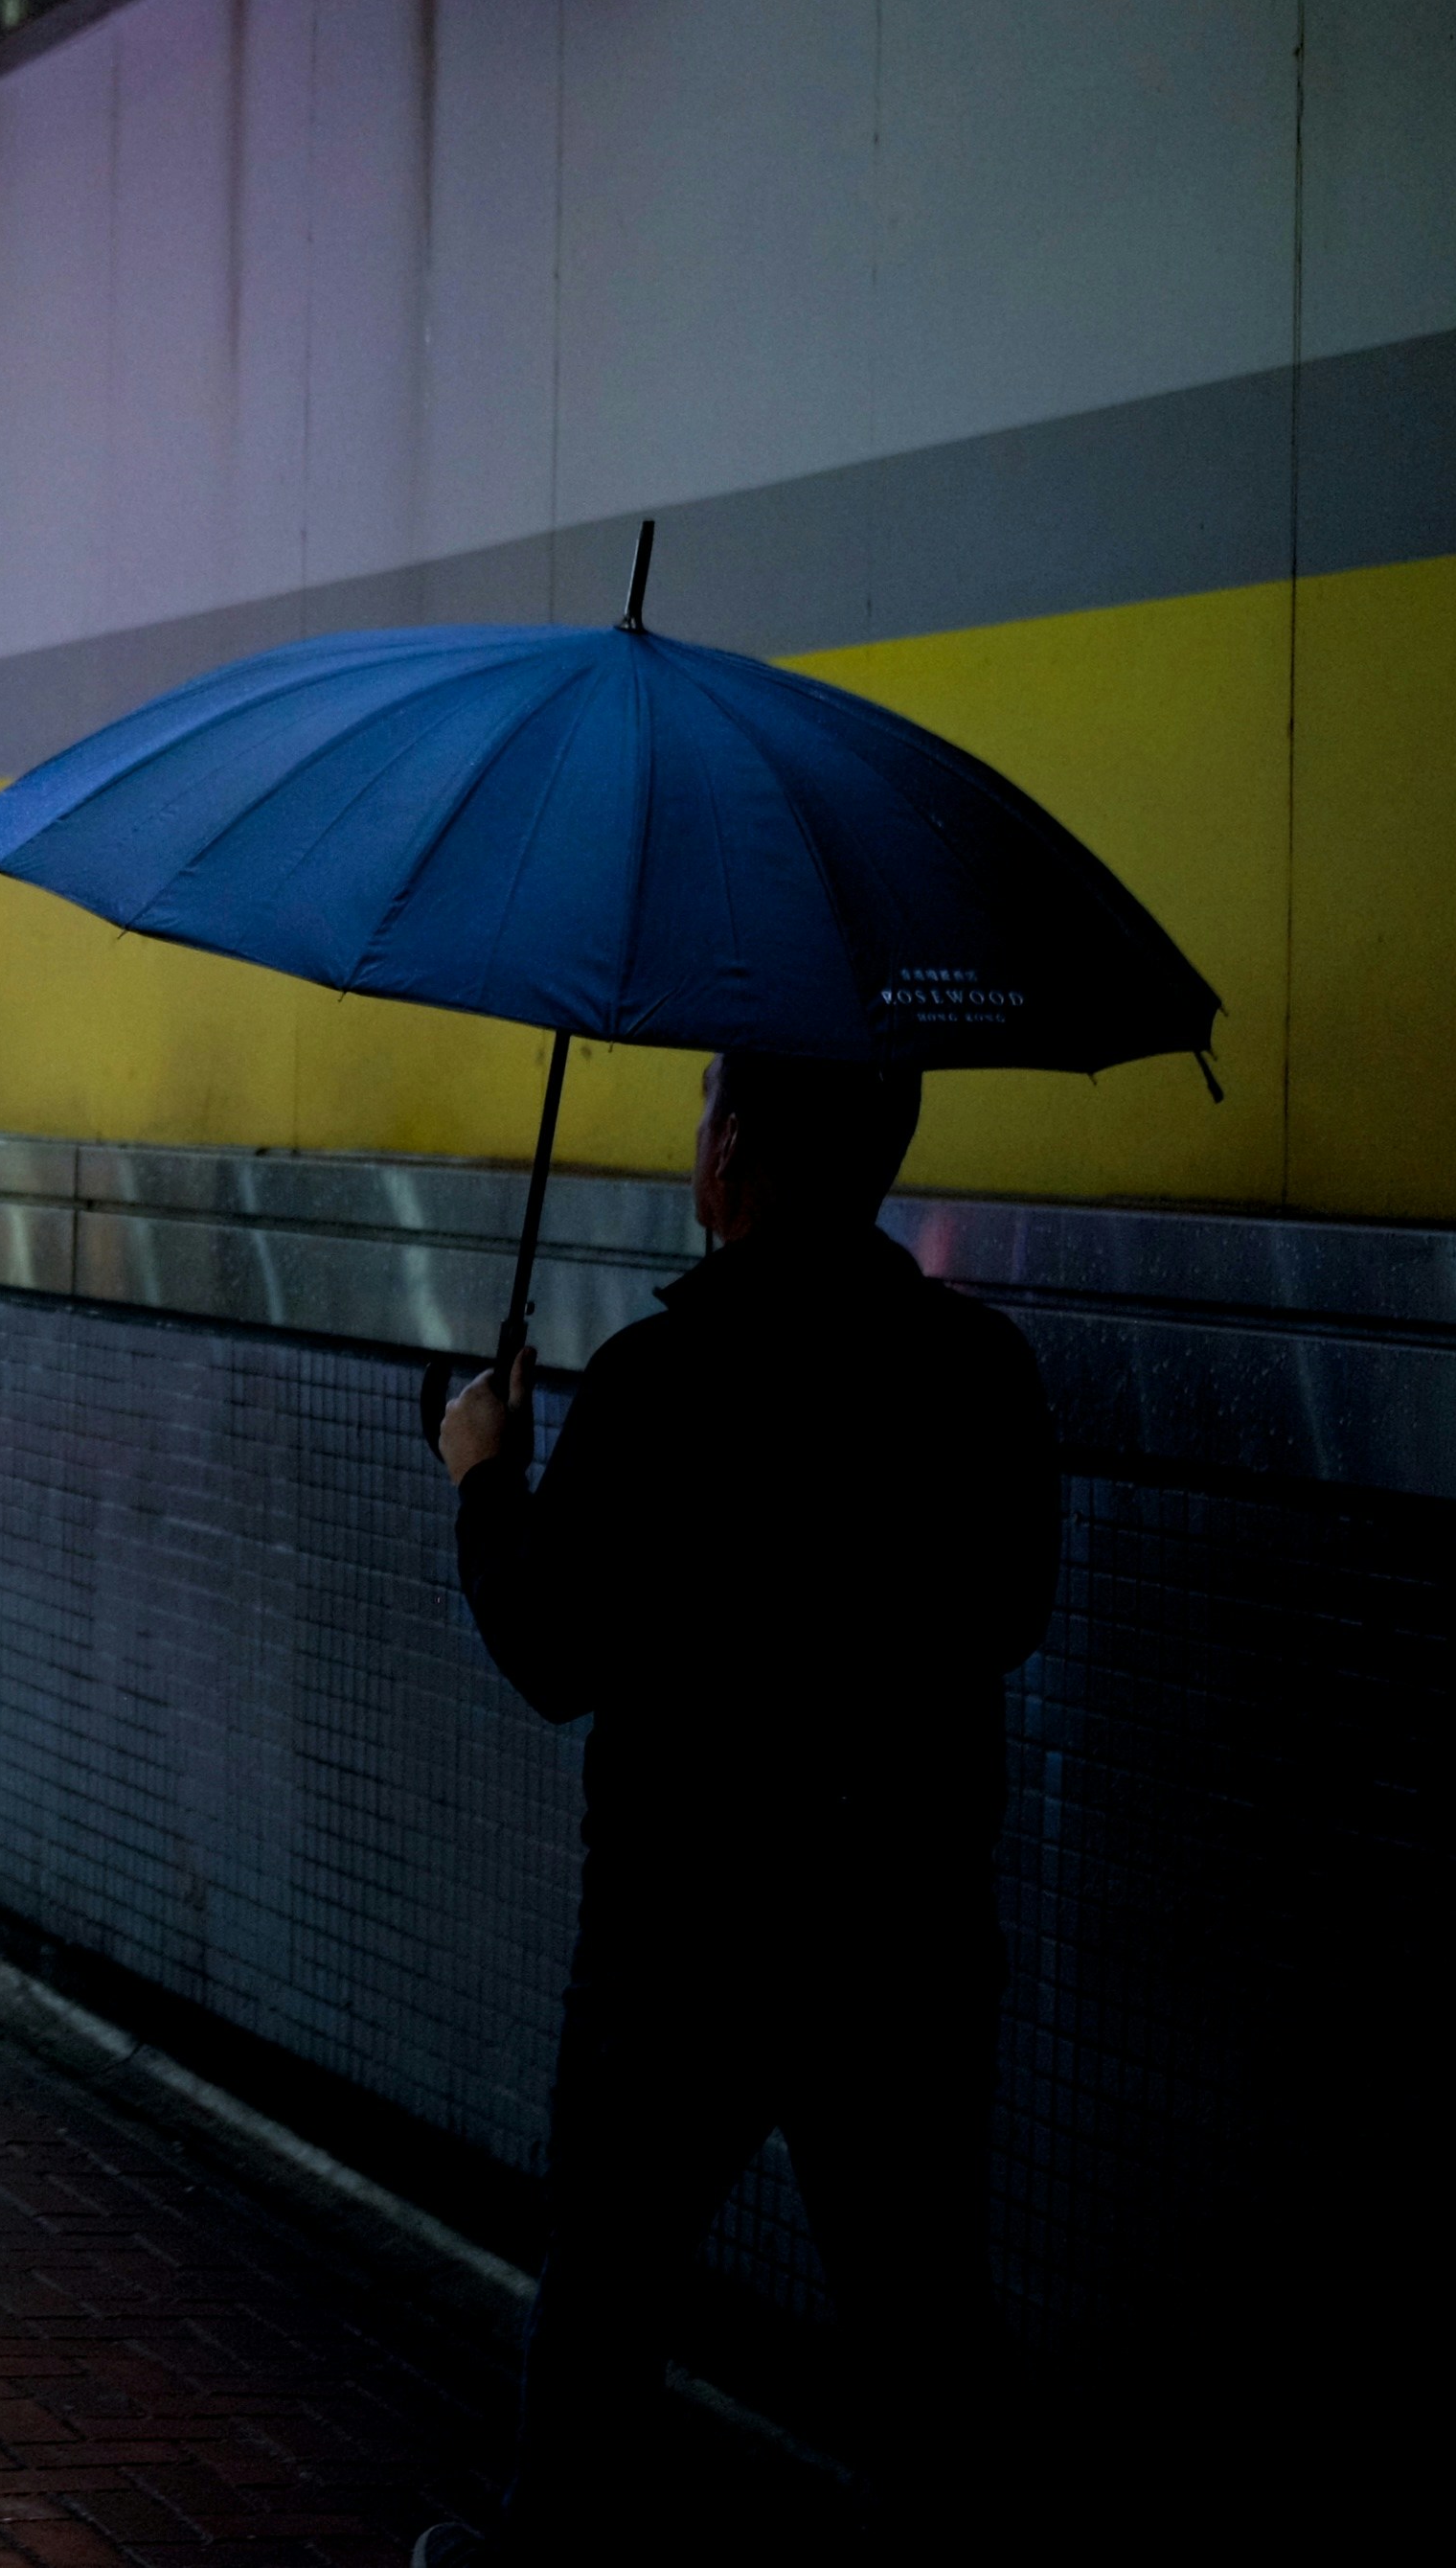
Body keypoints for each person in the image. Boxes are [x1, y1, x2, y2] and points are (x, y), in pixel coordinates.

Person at [412, 1053, 1059, 2567]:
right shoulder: (979, 1368)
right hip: (901, 1909)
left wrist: (484, 1478)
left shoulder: (663, 1379)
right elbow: (1011, 1609)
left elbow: (551, 1650)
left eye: (708, 1110)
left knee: (613, 2276)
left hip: (684, 1925)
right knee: (920, 2312)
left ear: (742, 1153)